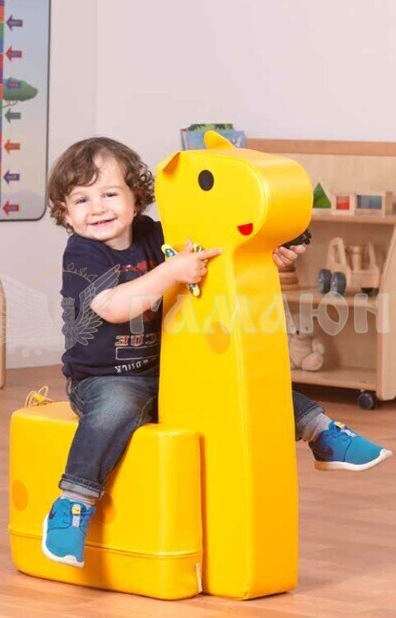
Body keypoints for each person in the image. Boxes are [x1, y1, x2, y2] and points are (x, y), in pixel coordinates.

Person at [43, 137, 392, 568]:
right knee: (116, 407)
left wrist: (269, 248)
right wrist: (171, 271)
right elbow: (114, 307)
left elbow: (217, 251)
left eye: (109, 194)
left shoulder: (156, 234)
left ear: (136, 197)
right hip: (103, 379)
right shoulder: (82, 253)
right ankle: (73, 503)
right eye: (82, 199)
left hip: (167, 369)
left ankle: (321, 433)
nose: (97, 208)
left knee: (240, 387)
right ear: (65, 212)